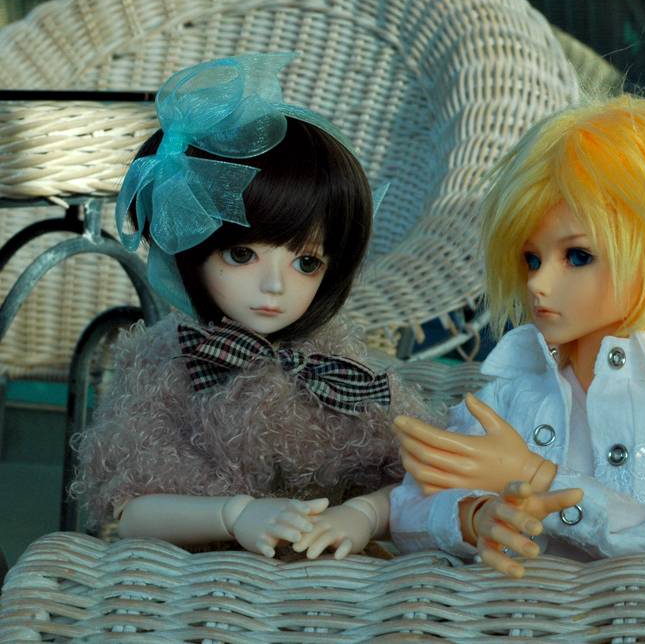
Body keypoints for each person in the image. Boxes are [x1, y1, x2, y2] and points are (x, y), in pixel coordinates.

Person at [73, 54, 432, 560]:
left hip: (335, 582)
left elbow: (425, 476)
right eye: (241, 255)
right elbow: (128, 510)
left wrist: (363, 514)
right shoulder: (170, 363)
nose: (274, 286)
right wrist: (234, 514)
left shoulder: (336, 364)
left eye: (307, 263)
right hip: (199, 582)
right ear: (191, 248)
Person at [389, 95, 645, 577]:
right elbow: (406, 508)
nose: (538, 283)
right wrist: (472, 518)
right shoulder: (505, 401)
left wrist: (540, 478)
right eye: (531, 259)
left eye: (578, 256)